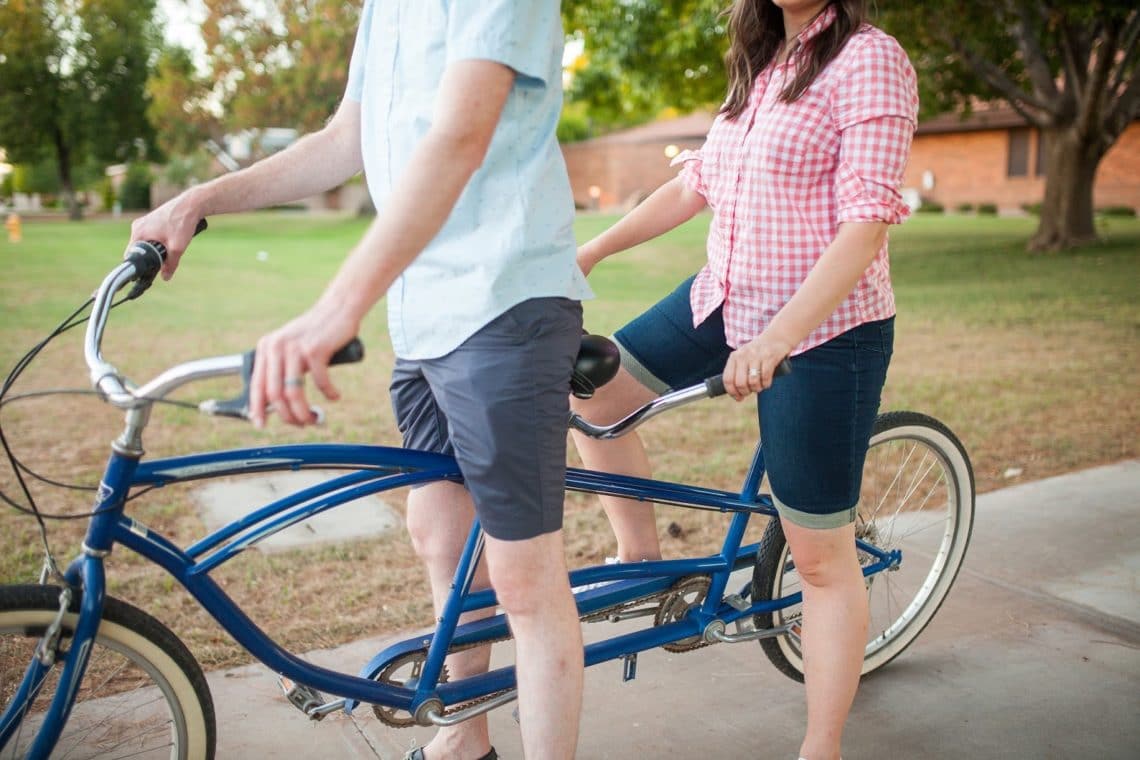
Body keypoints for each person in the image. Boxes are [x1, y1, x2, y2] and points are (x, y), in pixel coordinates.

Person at [131, 3, 591, 758]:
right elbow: (343, 139)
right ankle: (463, 740)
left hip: (505, 298)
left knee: (525, 581)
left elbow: (461, 135)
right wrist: (199, 198)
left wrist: (336, 308)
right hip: (426, 310)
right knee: (441, 534)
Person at [570, 1, 918, 758]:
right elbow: (697, 183)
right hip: (721, 298)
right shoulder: (763, 60)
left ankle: (819, 747)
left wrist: (779, 337)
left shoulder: (869, 58)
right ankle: (642, 561)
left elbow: (866, 222)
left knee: (821, 557)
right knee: (591, 390)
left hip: (825, 333)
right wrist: (593, 250)